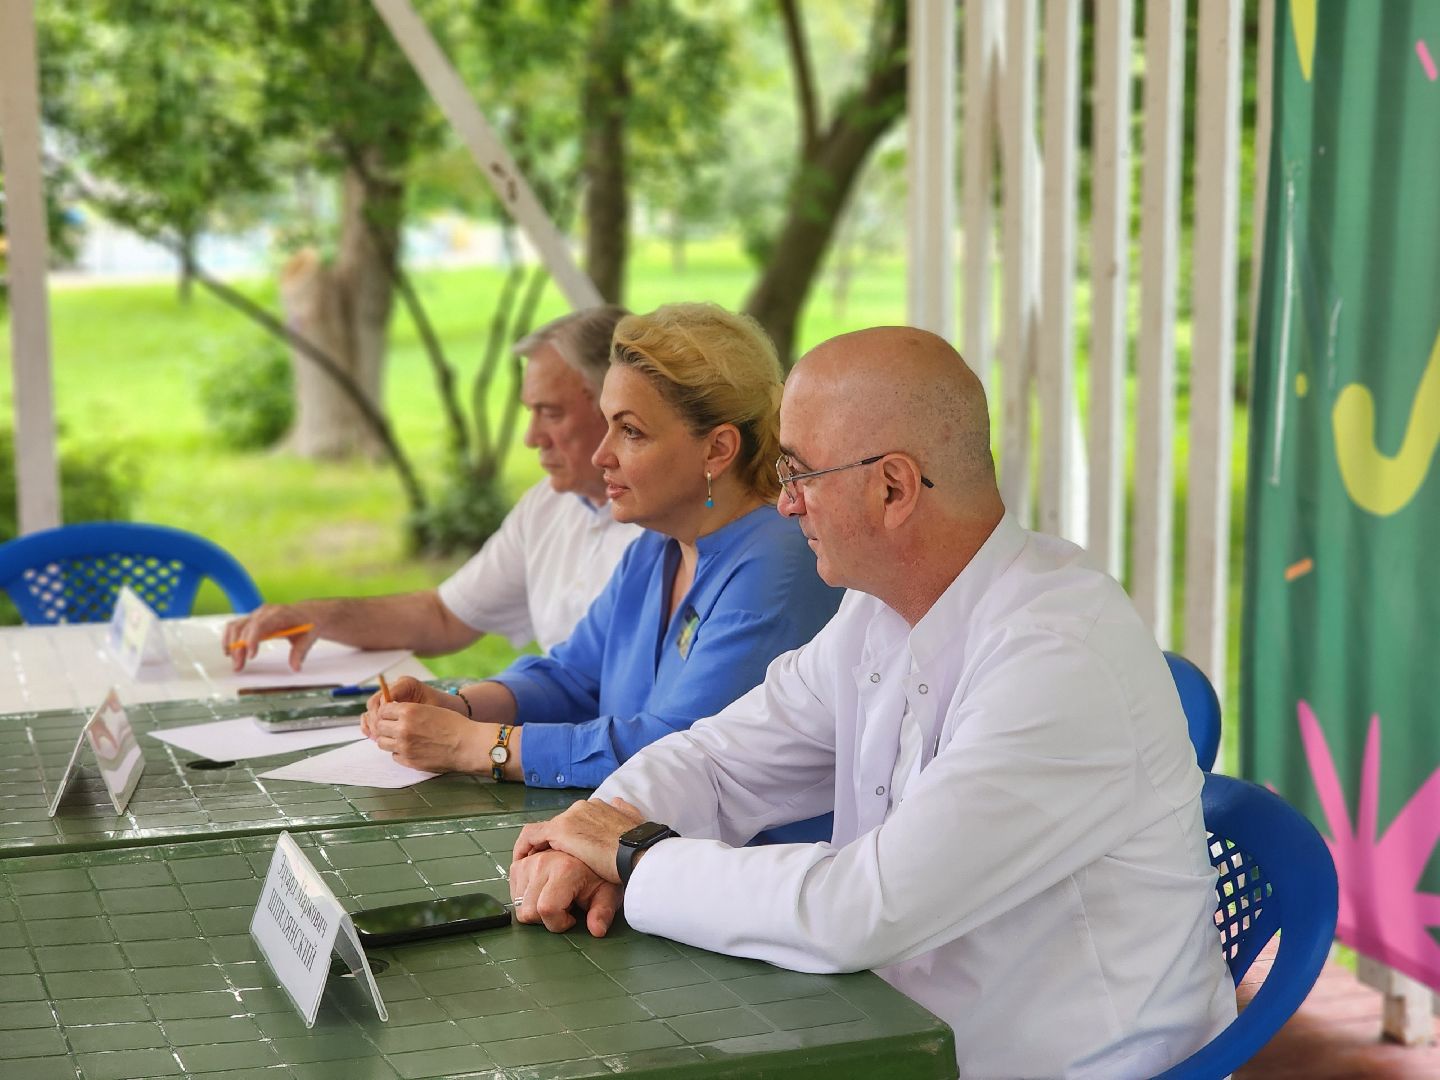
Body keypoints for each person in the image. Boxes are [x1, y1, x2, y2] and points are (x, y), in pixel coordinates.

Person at [505, 326, 1238, 1078]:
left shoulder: (1058, 659)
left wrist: (630, 857)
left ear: (892, 487)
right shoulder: (880, 609)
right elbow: (721, 757)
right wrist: (592, 831)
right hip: (895, 1028)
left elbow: (856, 913)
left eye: (798, 472)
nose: (783, 504)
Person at [362, 303, 844, 807]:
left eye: (630, 430)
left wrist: (477, 745)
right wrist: (459, 706)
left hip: (749, 872)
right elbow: (574, 677)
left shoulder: (777, 563)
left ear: (717, 450)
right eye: (606, 425)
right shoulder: (657, 546)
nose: (601, 455)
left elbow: (674, 751)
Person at [223, 305, 641, 669]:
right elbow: (445, 615)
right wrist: (316, 616)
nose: (531, 437)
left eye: (550, 413)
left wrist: (483, 730)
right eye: (530, 413)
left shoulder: (670, 526)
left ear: (619, 408)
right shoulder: (549, 506)